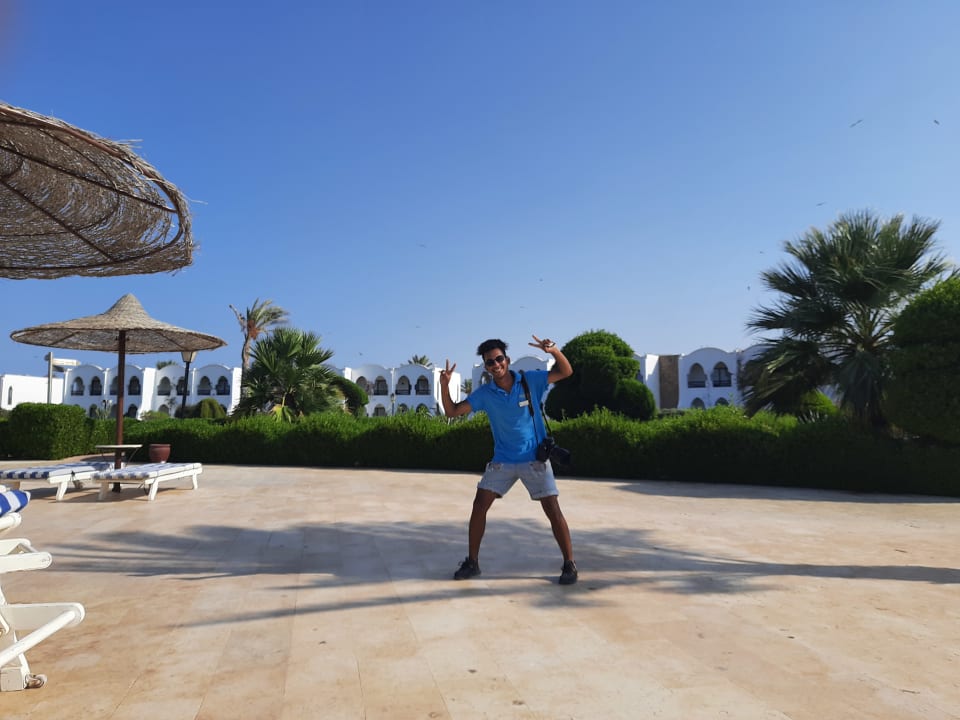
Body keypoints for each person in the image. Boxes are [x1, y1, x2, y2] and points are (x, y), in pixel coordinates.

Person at [439, 334, 578, 585]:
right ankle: (472, 563)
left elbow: (566, 371)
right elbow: (452, 411)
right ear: (486, 367)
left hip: (534, 459)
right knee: (479, 505)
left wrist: (554, 351)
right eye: (490, 362)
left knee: (552, 509)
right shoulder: (485, 394)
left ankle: (569, 564)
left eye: (499, 359)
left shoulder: (529, 380)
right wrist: (444, 385)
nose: (496, 364)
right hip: (503, 460)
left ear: (507, 359)